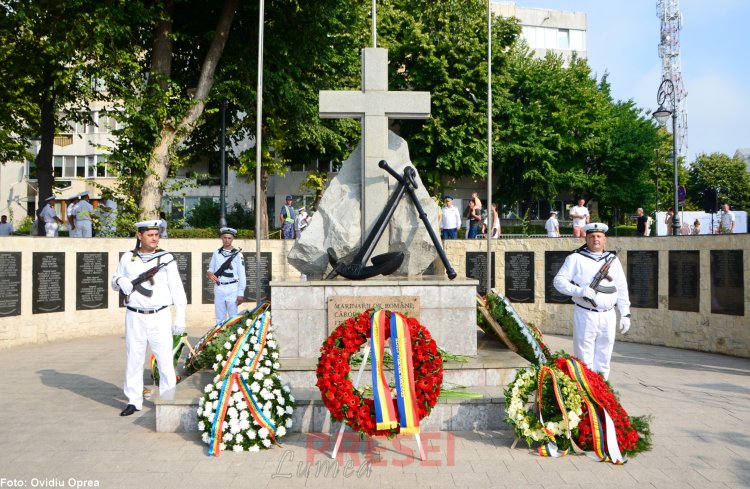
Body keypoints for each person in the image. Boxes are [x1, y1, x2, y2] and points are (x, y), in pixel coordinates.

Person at [111, 220, 187, 416]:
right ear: (139, 236)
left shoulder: (166, 258)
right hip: (134, 315)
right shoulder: (128, 258)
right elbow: (114, 280)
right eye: (150, 235)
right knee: (134, 360)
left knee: (164, 360)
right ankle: (134, 401)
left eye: (156, 234)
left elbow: (177, 289)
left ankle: (168, 399)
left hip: (159, 315)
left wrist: (181, 318)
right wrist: (121, 280)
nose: (155, 238)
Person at [553, 223, 631, 380]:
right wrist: (580, 291)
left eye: (599, 237)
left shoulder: (612, 260)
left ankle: (602, 395)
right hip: (586, 314)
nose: (596, 239)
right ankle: (585, 396)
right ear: (586, 239)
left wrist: (625, 313)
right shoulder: (575, 258)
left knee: (604, 358)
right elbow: (559, 281)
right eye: (592, 236)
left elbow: (621, 288)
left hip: (608, 315)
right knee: (584, 359)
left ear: (604, 239)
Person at [206, 227, 246, 323]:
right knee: (220, 317)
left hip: (232, 288)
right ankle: (219, 337)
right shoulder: (216, 253)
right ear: (221, 238)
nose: (226, 240)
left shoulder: (238, 255)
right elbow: (211, 268)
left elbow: (242, 274)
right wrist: (210, 274)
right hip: (219, 287)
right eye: (224, 237)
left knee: (233, 317)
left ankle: (232, 337)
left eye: (229, 238)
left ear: (232, 239)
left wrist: (241, 293)